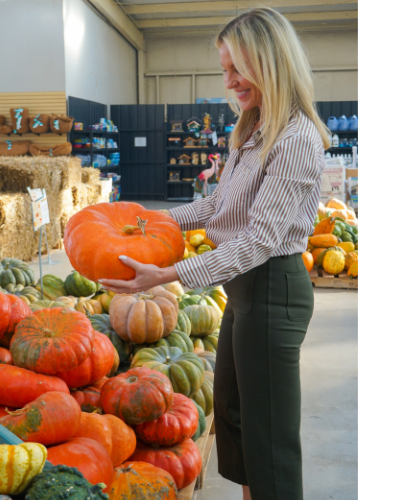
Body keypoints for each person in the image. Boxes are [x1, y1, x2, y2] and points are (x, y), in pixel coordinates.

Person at [99, 7, 330, 500]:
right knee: (234, 413)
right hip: (245, 291)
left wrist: (165, 273)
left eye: (236, 68)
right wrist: (147, 220)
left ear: (270, 62)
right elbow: (219, 206)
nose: (228, 82)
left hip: (272, 288)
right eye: (224, 69)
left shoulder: (294, 138)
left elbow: (258, 242)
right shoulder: (254, 128)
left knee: (269, 439)